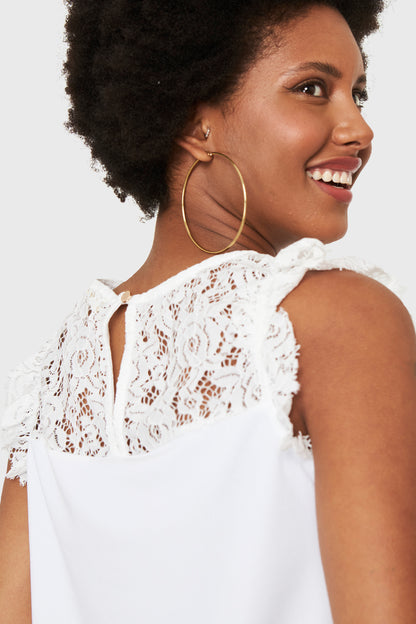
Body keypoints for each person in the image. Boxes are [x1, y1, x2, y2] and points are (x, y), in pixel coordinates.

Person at [1, 0, 415, 622]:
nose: (360, 129)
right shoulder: (339, 318)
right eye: (311, 88)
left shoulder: (53, 385)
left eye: (357, 93)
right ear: (198, 128)